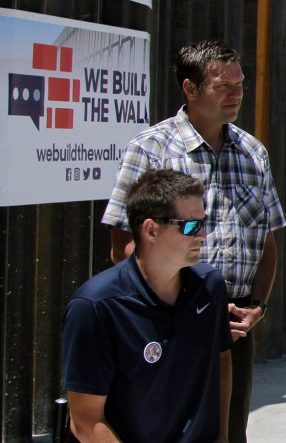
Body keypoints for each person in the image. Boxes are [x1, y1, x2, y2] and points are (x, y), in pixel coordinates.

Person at [101, 40, 286, 442]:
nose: (236, 94)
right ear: (190, 88)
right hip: (167, 323)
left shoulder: (253, 152)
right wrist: (182, 302)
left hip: (234, 325)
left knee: (227, 432)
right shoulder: (150, 149)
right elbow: (122, 247)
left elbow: (267, 241)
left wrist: (257, 305)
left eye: (240, 84)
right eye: (224, 87)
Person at [63, 169, 235, 442]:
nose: (203, 235)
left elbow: (222, 360)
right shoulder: (95, 306)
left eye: (204, 222)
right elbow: (85, 422)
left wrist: (223, 436)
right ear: (151, 230)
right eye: (191, 225)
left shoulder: (210, 286)